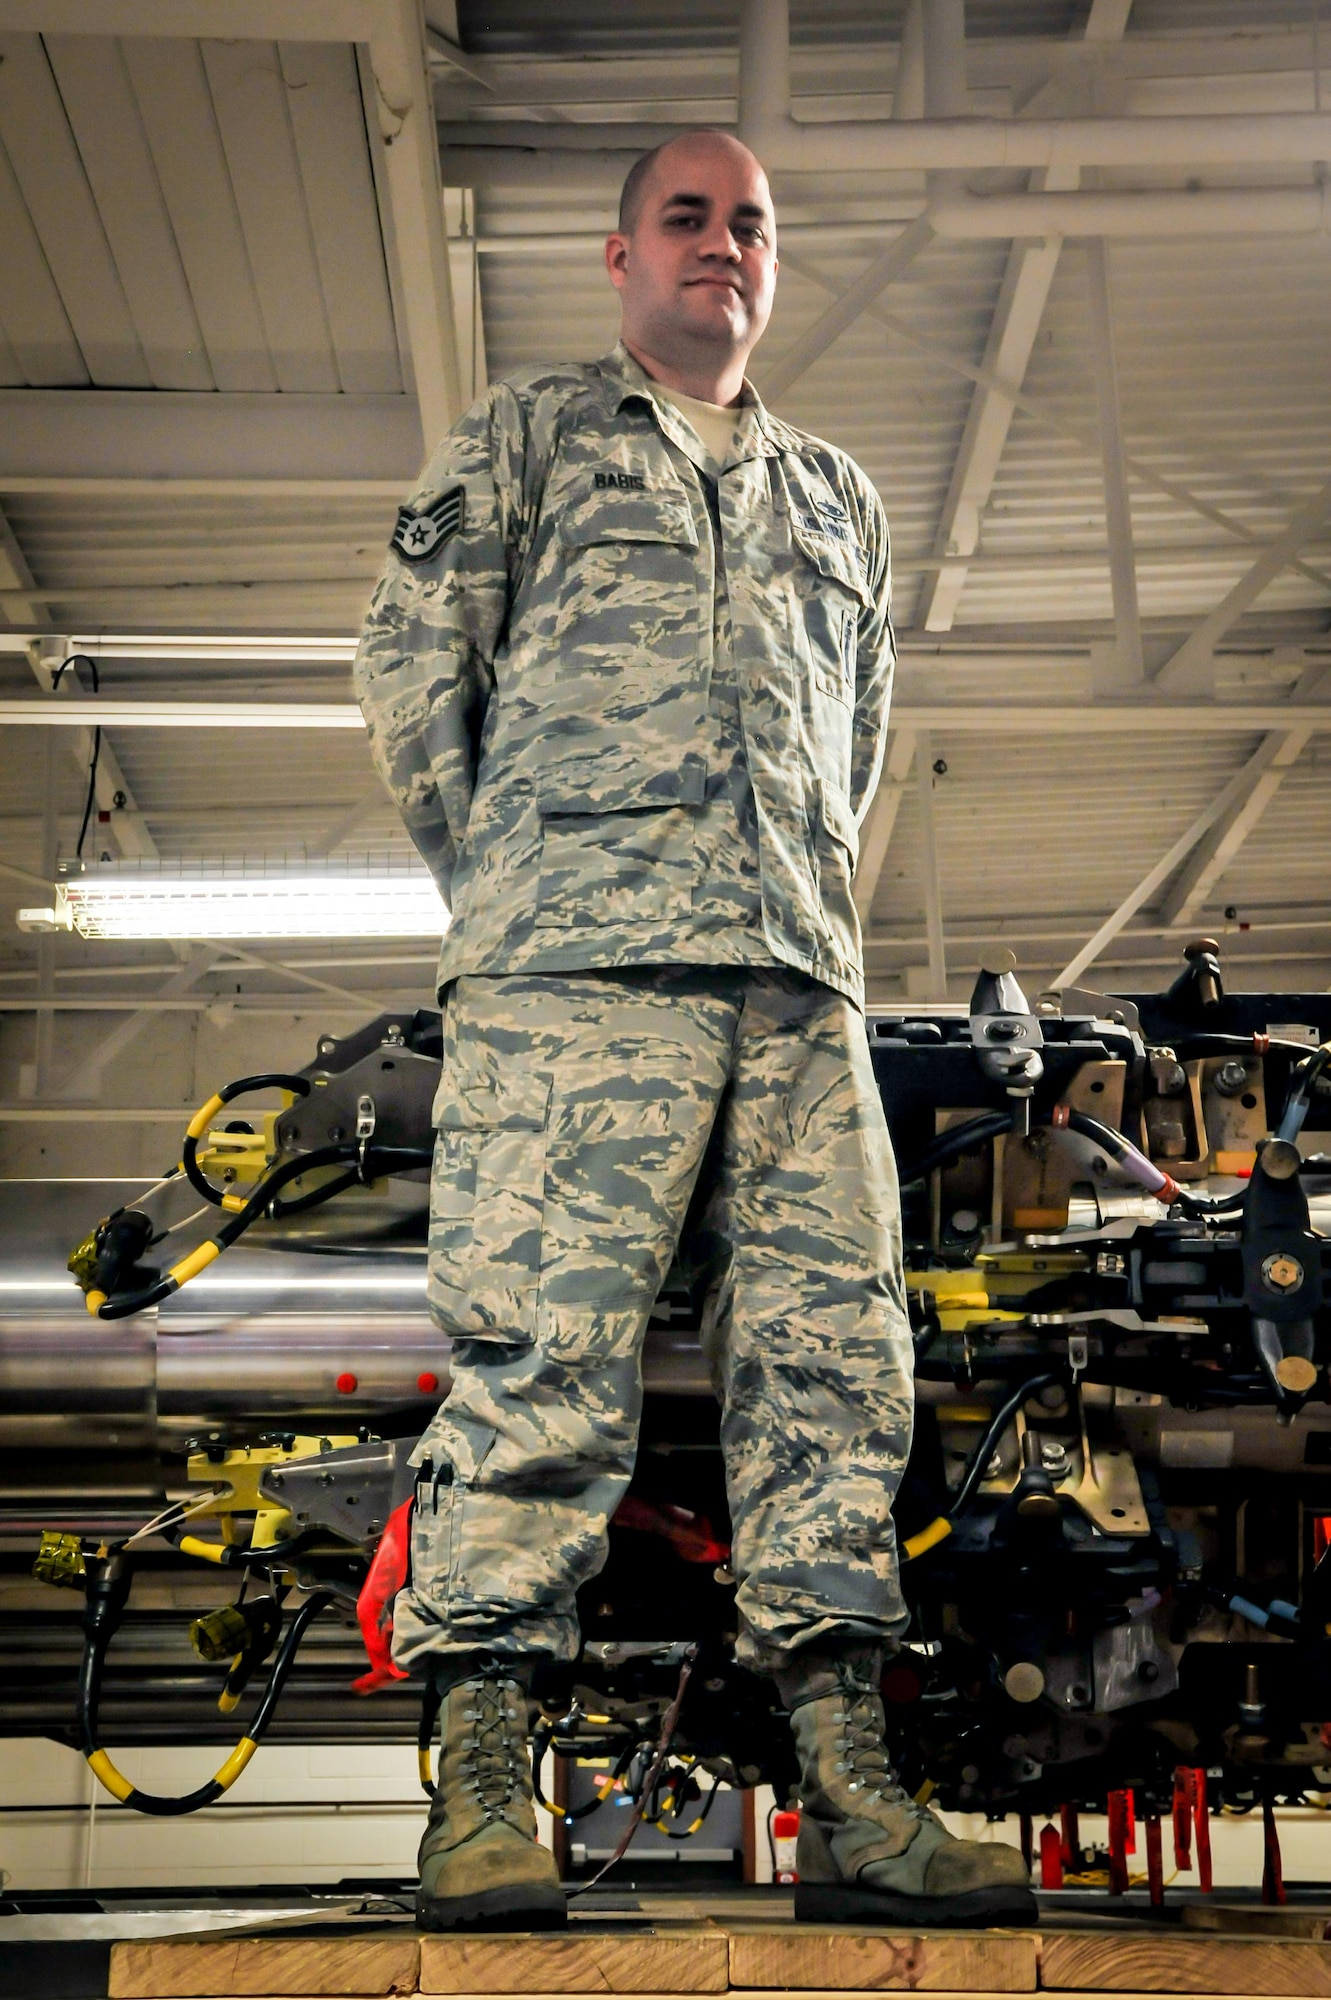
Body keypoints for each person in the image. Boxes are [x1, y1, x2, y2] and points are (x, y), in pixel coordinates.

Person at [354, 130, 1032, 1932]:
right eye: (689, 217)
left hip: (796, 991)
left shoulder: (838, 495)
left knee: (834, 1368)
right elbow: (420, 674)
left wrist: (783, 901)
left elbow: (854, 746)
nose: (723, 245)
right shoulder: (528, 440)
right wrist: (520, 897)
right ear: (622, 254)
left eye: (752, 224)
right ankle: (488, 1796)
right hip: (573, 976)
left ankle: (851, 1794)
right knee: (539, 1361)